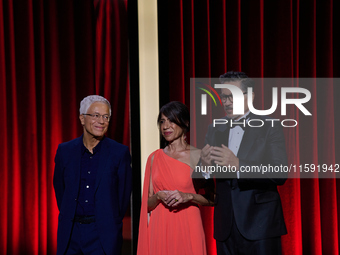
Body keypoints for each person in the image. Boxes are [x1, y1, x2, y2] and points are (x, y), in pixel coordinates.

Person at [199, 71, 288, 255]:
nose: (227, 102)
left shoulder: (270, 126)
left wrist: (239, 165)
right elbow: (203, 179)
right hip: (225, 225)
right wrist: (204, 168)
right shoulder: (214, 128)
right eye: (224, 97)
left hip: (260, 225)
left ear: (251, 96)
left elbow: (280, 172)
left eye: (233, 96)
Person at [53, 95, 132, 255]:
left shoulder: (119, 153)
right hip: (71, 233)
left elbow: (122, 198)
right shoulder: (65, 151)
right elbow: (60, 191)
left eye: (106, 117)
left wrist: (109, 220)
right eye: (96, 115)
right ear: (82, 118)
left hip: (103, 235)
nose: (102, 121)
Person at [137, 101, 213, 255]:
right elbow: (147, 205)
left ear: (185, 123)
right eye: (162, 121)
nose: (166, 126)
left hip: (188, 222)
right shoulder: (154, 158)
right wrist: (158, 196)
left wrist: (189, 196)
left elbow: (213, 198)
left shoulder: (199, 155)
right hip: (160, 225)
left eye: (171, 120)